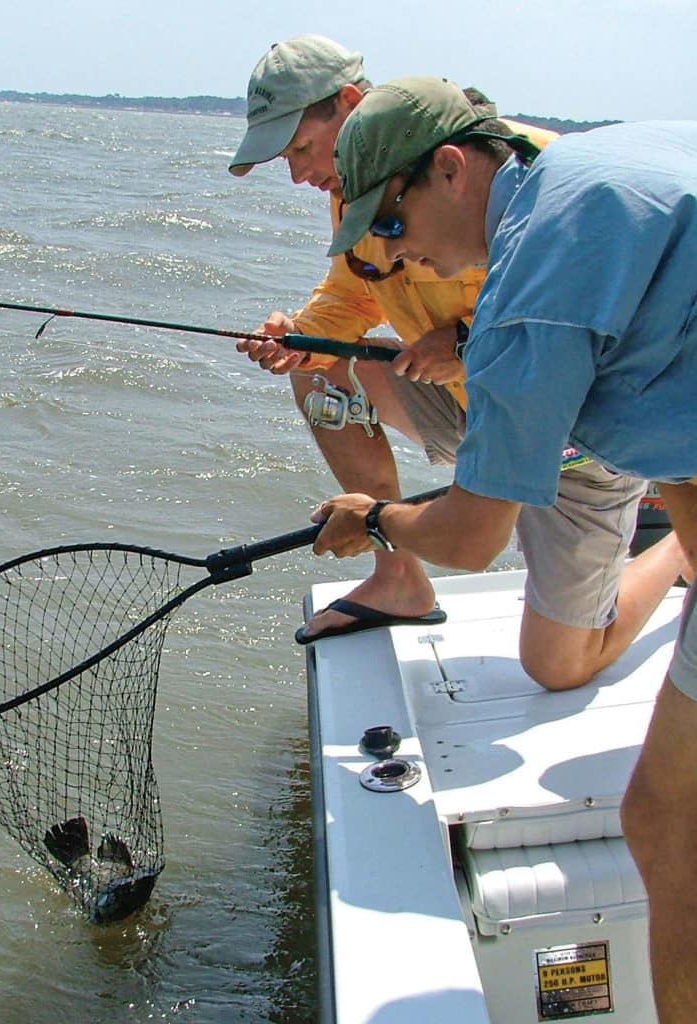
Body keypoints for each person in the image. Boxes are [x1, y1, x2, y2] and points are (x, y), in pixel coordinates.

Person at [315, 76, 697, 1022]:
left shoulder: (530, 289)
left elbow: (472, 537)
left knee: (667, 819)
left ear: (450, 169)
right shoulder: (600, 154)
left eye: (392, 228)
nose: (392, 255)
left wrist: (371, 518)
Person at [230, 36, 687, 689]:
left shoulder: (534, 195)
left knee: (557, 667)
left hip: (576, 441)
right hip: (489, 407)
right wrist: (303, 336)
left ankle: (668, 540)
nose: (298, 174)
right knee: (321, 369)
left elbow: (471, 540)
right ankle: (397, 585)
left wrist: (372, 517)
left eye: (300, 148)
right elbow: (357, 289)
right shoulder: (376, 192)